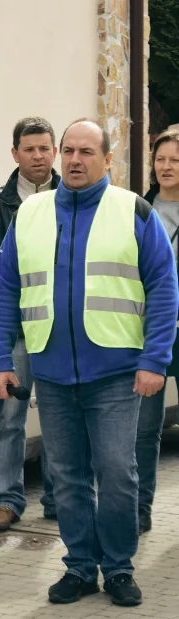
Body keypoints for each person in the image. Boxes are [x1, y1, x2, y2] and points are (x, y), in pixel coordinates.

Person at [0, 119, 178, 607]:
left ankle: (117, 568)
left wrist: (155, 359)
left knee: (117, 473)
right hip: (51, 373)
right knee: (67, 476)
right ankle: (78, 566)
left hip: (116, 373)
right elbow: (6, 288)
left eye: (86, 152)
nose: (74, 160)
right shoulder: (30, 213)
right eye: (68, 150)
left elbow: (163, 287)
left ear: (107, 160)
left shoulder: (133, 210)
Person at [0, 117, 62, 531]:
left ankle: (59, 497)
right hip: (16, 330)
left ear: (54, 151)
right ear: (15, 154)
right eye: (29, 149)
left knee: (59, 416)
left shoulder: (75, 196)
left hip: (63, 329)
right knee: (10, 417)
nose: (38, 156)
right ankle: (7, 500)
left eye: (45, 148)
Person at [135, 128, 179, 535]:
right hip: (149, 331)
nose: (166, 167)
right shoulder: (139, 208)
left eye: (175, 161)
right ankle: (140, 509)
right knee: (145, 428)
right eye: (160, 159)